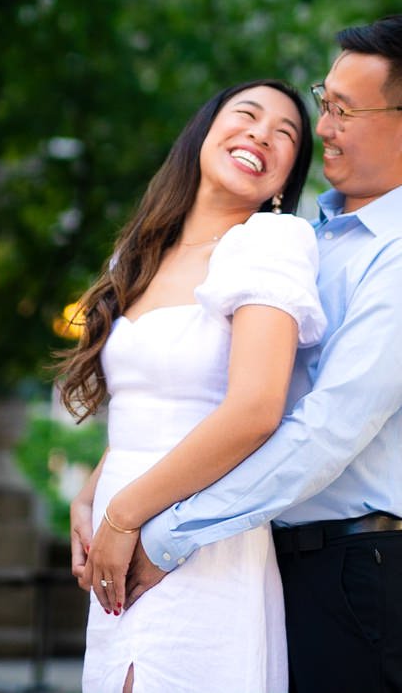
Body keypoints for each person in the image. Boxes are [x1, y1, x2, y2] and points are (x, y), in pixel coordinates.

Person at [126, 14, 402, 693]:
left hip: (361, 576)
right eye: (325, 102)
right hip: (271, 564)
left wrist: (164, 534)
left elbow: (322, 436)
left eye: (344, 110)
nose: (325, 127)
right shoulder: (304, 235)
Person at [59, 78, 322, 693]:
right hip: (119, 532)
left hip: (196, 535)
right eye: (247, 115)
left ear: (284, 181)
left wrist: (124, 516)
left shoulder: (269, 243)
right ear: (205, 132)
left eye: (285, 134)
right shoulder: (139, 254)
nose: (262, 133)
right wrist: (90, 496)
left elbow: (255, 410)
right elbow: (153, 404)